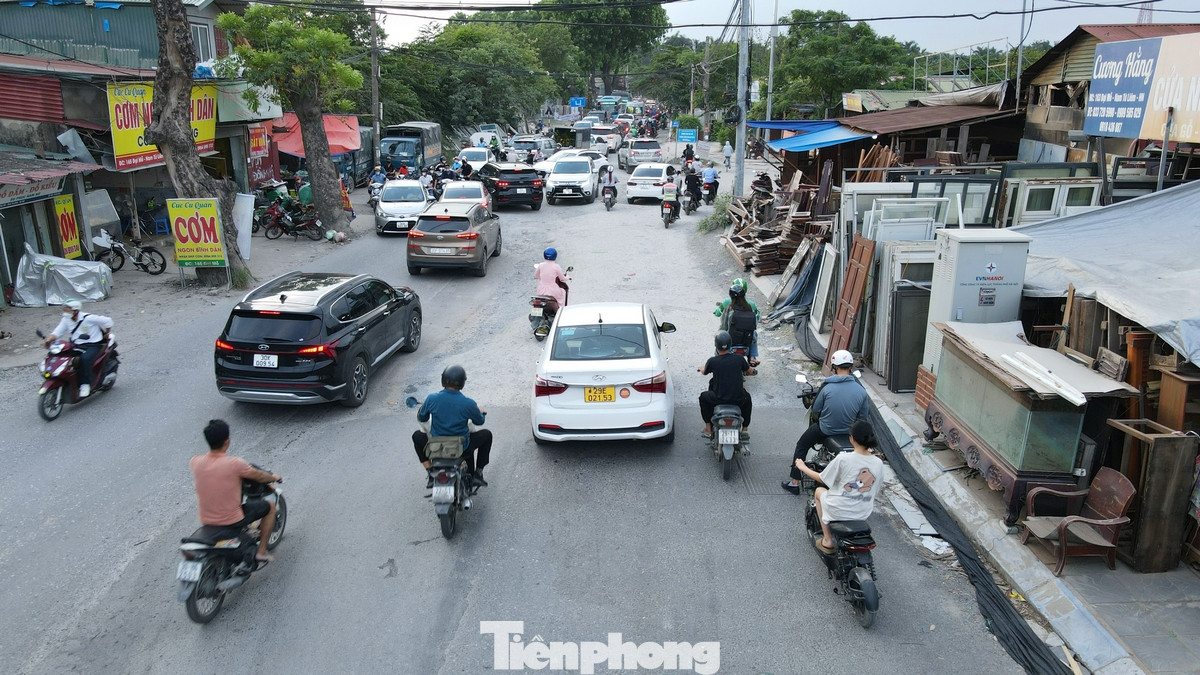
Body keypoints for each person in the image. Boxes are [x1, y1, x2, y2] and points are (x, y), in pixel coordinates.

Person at [782, 349, 872, 494]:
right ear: (850, 367)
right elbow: (863, 416)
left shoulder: (827, 388)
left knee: (802, 445)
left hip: (825, 430)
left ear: (835, 367)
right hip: (848, 433)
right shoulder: (861, 391)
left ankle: (794, 482)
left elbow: (816, 410)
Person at [190, 419, 280, 563]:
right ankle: (261, 552)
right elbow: (260, 475)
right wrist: (273, 477)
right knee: (270, 507)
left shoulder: (195, 461)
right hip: (231, 520)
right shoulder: (235, 464)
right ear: (227, 441)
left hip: (206, 519)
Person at [792, 420, 884, 552]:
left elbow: (821, 477)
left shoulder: (843, 459)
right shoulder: (878, 463)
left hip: (839, 509)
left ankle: (827, 539)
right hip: (863, 512)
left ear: (851, 439)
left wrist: (802, 466)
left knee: (819, 491)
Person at [411, 365, 492, 485]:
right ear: (462, 383)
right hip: (461, 449)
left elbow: (422, 418)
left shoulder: (432, 399)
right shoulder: (468, 403)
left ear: (443, 379)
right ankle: (478, 473)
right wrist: (481, 412)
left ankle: (430, 472)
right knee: (487, 435)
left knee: (417, 436)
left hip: (436, 447)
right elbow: (479, 422)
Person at [44, 300, 113, 398]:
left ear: (75, 310)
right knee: (62, 357)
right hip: (76, 345)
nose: (65, 312)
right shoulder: (66, 320)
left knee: (84, 359)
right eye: (64, 310)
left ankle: (85, 384)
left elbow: (108, 321)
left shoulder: (88, 318)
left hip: (93, 345)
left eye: (67, 310)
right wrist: (48, 340)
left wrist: (107, 333)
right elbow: (58, 332)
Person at [698, 330, 754, 439]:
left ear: (715, 345)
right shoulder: (739, 359)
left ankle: (708, 429)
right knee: (748, 398)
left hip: (718, 398)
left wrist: (701, 369)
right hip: (738, 398)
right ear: (730, 344)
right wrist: (752, 370)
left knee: (703, 397)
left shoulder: (713, 361)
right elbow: (749, 371)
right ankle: (745, 429)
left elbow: (704, 372)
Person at [714, 278, 760, 366]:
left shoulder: (729, 308)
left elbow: (723, 326)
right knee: (754, 333)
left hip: (732, 341)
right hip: (746, 341)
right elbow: (755, 324)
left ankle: (717, 361)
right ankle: (752, 357)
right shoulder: (750, 307)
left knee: (719, 336)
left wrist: (717, 334)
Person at [534, 247, 569, 311]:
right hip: (553, 290)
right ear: (555, 256)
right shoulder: (556, 266)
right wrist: (567, 277)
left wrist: (542, 278)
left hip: (541, 290)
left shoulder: (541, 265)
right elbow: (562, 278)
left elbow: (536, 275)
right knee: (563, 292)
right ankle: (561, 311)